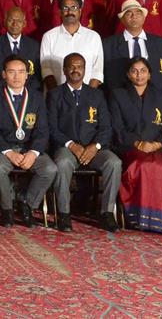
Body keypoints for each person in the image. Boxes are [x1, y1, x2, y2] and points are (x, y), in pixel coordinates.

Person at [107, 56, 162, 234]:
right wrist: (137, 143)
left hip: (159, 147)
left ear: (150, 74)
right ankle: (143, 218)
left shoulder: (161, 95)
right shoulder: (118, 95)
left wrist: (156, 144)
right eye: (134, 71)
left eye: (143, 71)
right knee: (144, 166)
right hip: (130, 147)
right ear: (128, 75)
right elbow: (116, 127)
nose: (139, 75)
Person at [47, 53, 121, 232]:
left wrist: (94, 147)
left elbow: (106, 127)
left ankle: (107, 213)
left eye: (79, 66)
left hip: (94, 148)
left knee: (114, 163)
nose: (75, 70)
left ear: (85, 70)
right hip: (67, 148)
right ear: (64, 70)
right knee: (63, 163)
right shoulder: (55, 94)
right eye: (71, 66)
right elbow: (51, 127)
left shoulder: (97, 95)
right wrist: (71, 144)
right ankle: (64, 214)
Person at [0, 56, 56, 227]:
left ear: (27, 75)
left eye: (21, 72)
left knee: (50, 169)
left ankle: (27, 205)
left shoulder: (37, 97)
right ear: (3, 74)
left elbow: (43, 130)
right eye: (11, 72)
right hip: (4, 148)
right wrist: (8, 152)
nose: (17, 77)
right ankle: (7, 209)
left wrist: (33, 152)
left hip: (29, 148)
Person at [102, 0, 162, 94]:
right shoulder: (108, 45)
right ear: (122, 19)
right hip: (121, 100)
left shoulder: (161, 44)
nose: (134, 16)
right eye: (128, 14)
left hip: (156, 100)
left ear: (144, 17)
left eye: (138, 13)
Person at [39, 0, 105, 90]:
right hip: (56, 98)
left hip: (87, 98)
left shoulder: (93, 37)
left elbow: (97, 71)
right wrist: (58, 95)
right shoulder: (49, 37)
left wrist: (87, 95)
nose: (70, 12)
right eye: (65, 8)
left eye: (74, 7)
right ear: (60, 12)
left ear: (80, 11)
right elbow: (46, 70)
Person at [0, 6, 42, 90]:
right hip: (1, 93)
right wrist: (10, 91)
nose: (15, 24)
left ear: (24, 24)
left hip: (28, 94)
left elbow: (37, 76)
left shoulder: (34, 46)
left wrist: (23, 92)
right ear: (4, 22)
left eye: (19, 21)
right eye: (11, 20)